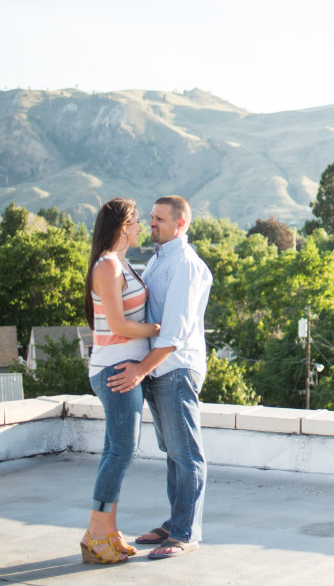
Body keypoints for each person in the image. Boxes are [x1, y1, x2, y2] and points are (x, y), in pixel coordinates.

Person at [106, 195, 213, 560]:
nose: (151, 223)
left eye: (159, 219)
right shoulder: (158, 259)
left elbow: (175, 332)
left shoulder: (183, 264)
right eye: (150, 218)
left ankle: (185, 533)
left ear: (180, 224)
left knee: (186, 453)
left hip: (175, 368)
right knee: (172, 451)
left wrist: (140, 369)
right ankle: (174, 522)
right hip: (159, 368)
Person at [82, 197, 161, 565]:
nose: (141, 226)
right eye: (135, 221)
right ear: (122, 227)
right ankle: (97, 534)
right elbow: (117, 325)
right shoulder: (109, 267)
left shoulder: (120, 264)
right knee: (122, 451)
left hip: (122, 366)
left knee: (114, 450)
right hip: (117, 368)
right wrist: (159, 329)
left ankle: (106, 533)